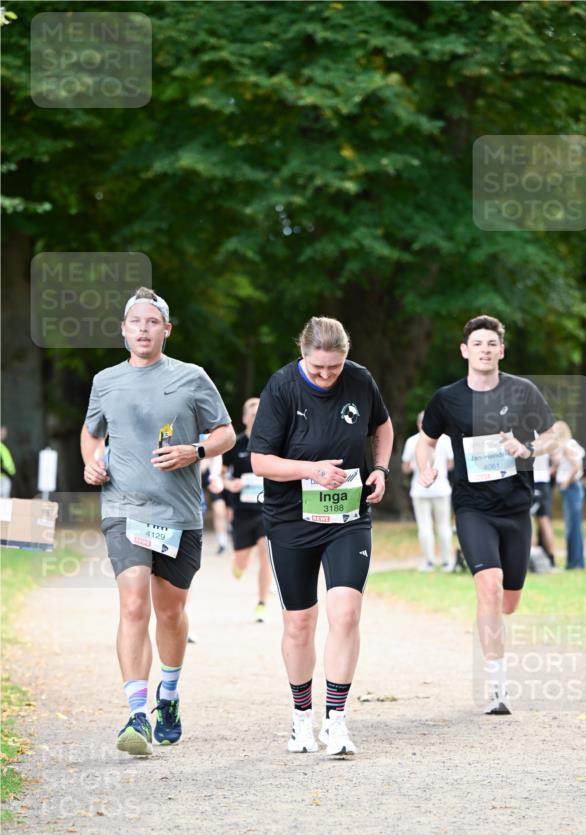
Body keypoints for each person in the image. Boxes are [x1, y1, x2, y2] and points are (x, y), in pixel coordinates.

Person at [81, 286, 234, 756]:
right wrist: (92, 463)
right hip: (123, 507)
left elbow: (226, 433)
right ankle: (136, 713)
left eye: (152, 322)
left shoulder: (191, 377)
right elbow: (90, 436)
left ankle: (169, 694)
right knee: (132, 605)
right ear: (124, 329)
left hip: (178, 512)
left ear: (166, 330)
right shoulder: (105, 380)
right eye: (135, 322)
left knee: (169, 610)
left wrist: (197, 450)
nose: (143, 329)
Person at [250, 317, 393, 756]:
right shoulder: (281, 387)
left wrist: (381, 469)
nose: (327, 376)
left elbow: (382, 427)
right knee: (299, 623)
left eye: (334, 368)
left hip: (348, 515)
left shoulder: (360, 380)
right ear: (303, 354)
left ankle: (336, 721)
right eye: (318, 369)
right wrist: (312, 470)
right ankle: (300, 720)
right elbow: (260, 461)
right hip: (291, 517)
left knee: (346, 612)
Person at [416, 315, 567, 715]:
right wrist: (425, 465)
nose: (485, 349)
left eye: (492, 344)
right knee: (490, 588)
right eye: (477, 343)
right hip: (472, 508)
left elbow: (558, 432)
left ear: (502, 350)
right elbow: (425, 441)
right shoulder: (446, 398)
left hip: (516, 508)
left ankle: (492, 626)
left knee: (509, 601)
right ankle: (497, 687)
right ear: (465, 350)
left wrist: (530, 449)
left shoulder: (523, 391)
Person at [222, 397, 271, 622]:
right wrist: (230, 484)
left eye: (259, 410)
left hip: (267, 509)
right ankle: (239, 563)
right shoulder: (235, 444)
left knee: (266, 553)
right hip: (242, 510)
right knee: (242, 561)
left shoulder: (274, 443)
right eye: (250, 410)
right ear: (243, 418)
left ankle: (262, 602)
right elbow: (220, 474)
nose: (255, 413)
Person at [402, 411, 454, 571]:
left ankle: (429, 562)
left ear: (419, 424)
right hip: (441, 487)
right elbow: (451, 464)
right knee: (444, 526)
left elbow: (405, 468)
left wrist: (416, 466)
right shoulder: (445, 439)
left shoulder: (412, 441)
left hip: (420, 488)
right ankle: (447, 562)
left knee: (424, 527)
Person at [555, 424, 586, 570]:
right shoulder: (572, 444)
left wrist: (565, 483)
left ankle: (573, 563)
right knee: (575, 526)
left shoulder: (567, 446)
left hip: (571, 488)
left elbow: (576, 467)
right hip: (574, 488)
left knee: (572, 526)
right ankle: (576, 561)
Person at [531, 451, 557, 568]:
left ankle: (528, 558)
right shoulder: (545, 435)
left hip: (531, 481)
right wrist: (552, 468)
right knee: (545, 521)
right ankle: (551, 559)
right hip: (544, 481)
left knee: (527, 520)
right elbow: (556, 456)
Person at [0, 426, 16, 498]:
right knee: (4, 504)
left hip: (4, 478)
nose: (5, 435)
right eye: (3, 432)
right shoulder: (2, 448)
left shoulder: (3, 447)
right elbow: (10, 467)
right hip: (3, 479)